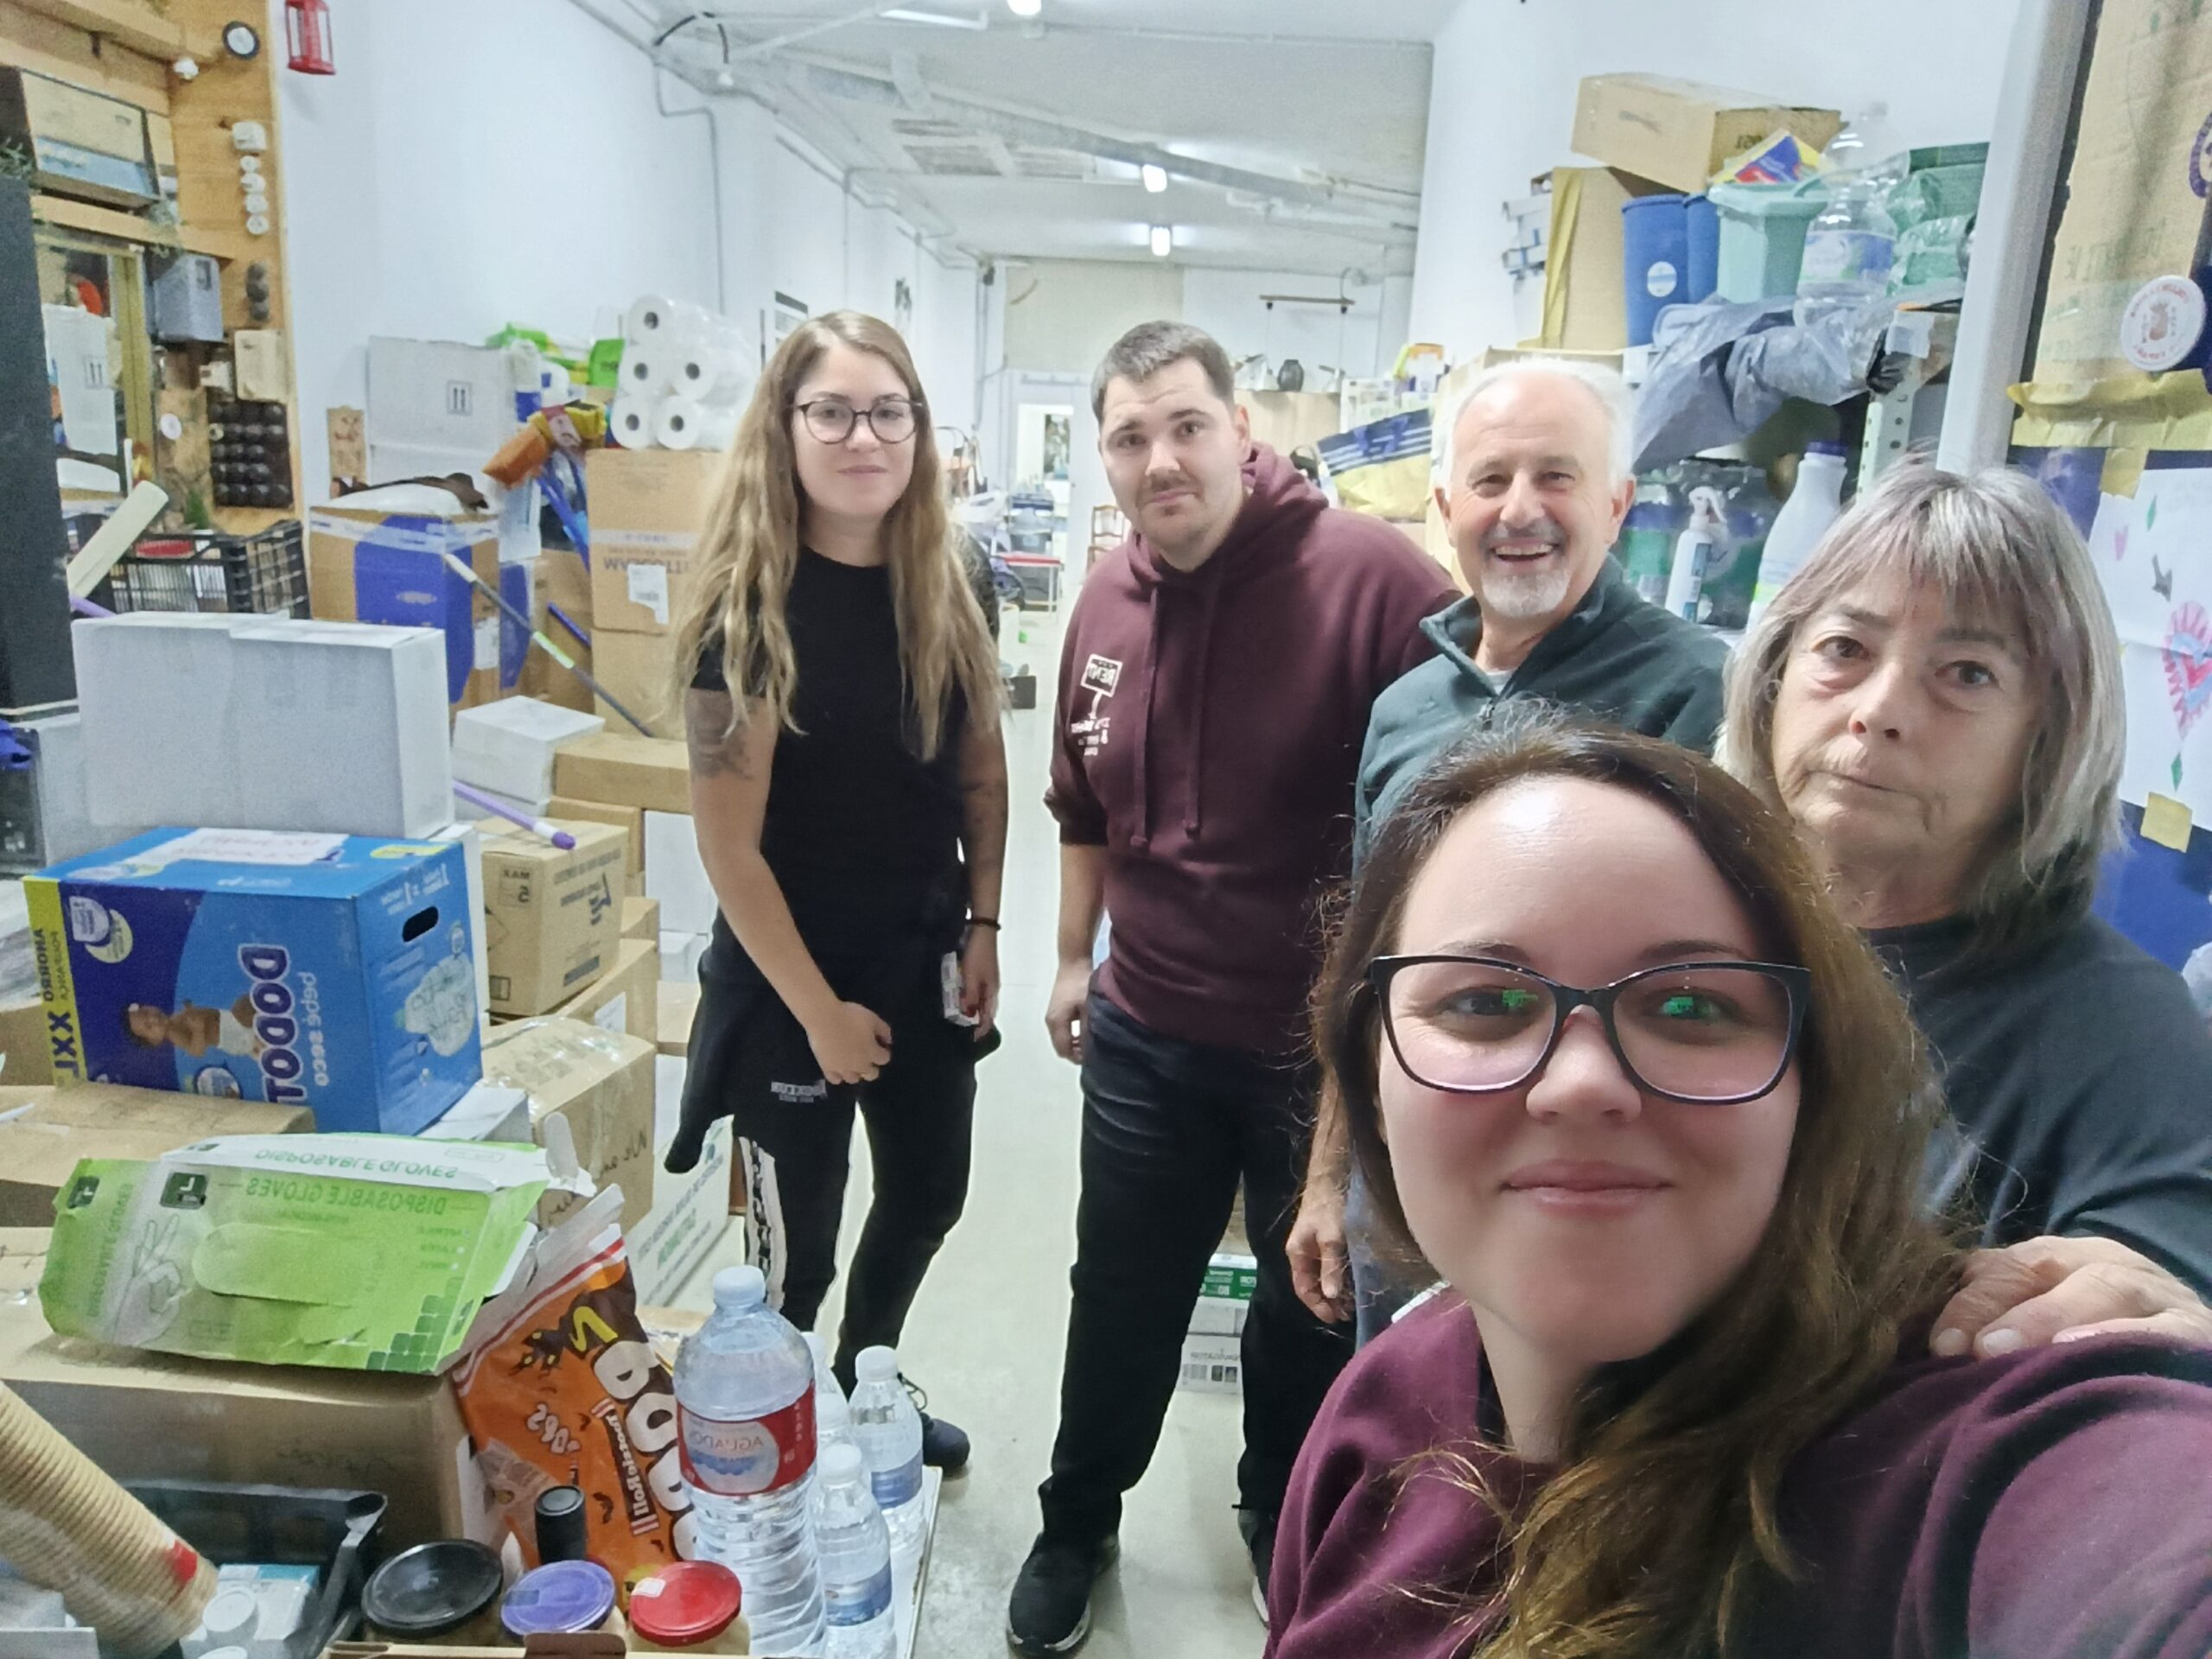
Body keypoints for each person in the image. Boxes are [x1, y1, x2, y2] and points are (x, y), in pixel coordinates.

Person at [1268, 711, 2212, 1659]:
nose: (1583, 1083)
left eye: (1690, 1005)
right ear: (1370, 1078)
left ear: (1811, 1087)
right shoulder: (1386, 1401)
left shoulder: (1962, 1462)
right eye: (1482, 1002)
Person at [1008, 321, 1459, 1654]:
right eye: (1131, 437)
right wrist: (1066, 955)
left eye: (1186, 426)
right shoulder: (1102, 597)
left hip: (1313, 1053)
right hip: (1146, 1026)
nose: (1163, 460)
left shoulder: (1373, 582)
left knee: (1305, 1304)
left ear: (1241, 428)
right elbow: (1079, 805)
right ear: (1105, 455)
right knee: (1123, 1291)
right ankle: (1077, 1520)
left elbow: (1448, 807)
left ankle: (1283, 1521)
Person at [1289, 359, 1728, 1337]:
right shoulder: (1406, 708)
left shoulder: (1695, 696)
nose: (1519, 510)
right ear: (1445, 507)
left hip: (1582, 1184)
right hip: (1400, 1180)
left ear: (1616, 505)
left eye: (1556, 477)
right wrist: (1331, 1176)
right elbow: (1364, 967)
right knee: (1408, 1431)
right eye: (1491, 481)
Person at [1719, 461, 2212, 1307]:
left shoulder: (2121, 1038)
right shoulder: (1671, 930)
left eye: (1966, 673)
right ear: (1772, 677)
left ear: (2046, 738)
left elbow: (2150, 1311)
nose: (1880, 709)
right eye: (1845, 649)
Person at [665, 310, 1006, 1469]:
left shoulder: (954, 582)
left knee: (926, 1197)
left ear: (919, 430)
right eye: (832, 411)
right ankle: (776, 1414)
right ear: (786, 428)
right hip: (782, 980)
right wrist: (817, 1013)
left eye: (888, 410)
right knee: (787, 1248)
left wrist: (987, 922)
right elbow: (729, 849)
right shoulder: (741, 614)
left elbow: (980, 768)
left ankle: (869, 1384)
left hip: (920, 953)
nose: (863, 436)